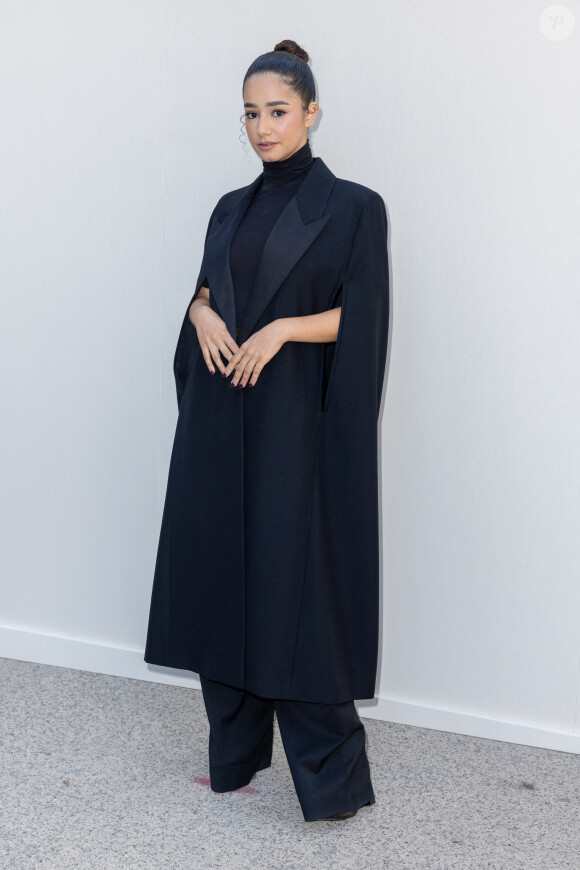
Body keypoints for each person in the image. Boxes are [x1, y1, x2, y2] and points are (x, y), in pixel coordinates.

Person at [144, 39, 390, 823]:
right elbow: (209, 287)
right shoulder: (230, 206)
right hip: (221, 423)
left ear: (312, 113)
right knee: (223, 585)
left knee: (297, 598)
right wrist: (200, 310)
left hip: (293, 427)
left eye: (277, 111)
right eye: (250, 113)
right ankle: (234, 759)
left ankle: (332, 781)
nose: (262, 126)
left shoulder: (353, 206)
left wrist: (283, 328)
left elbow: (365, 314)